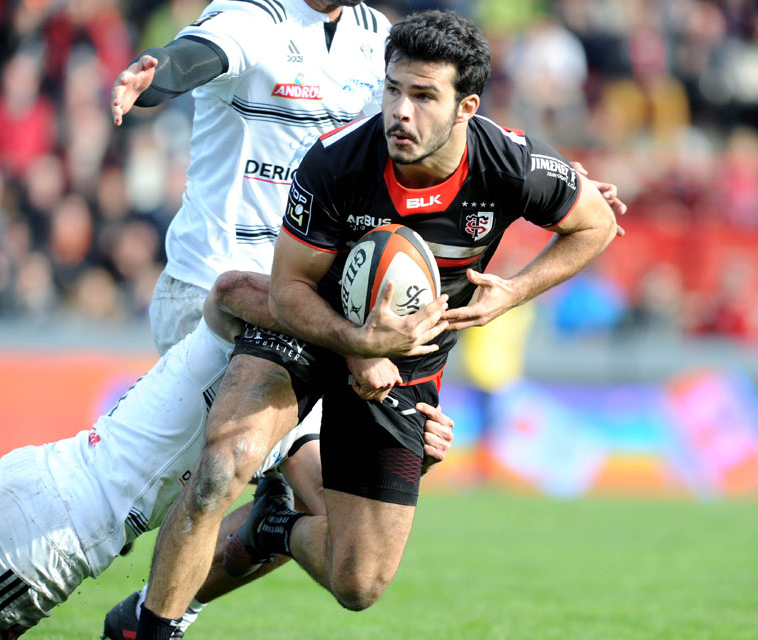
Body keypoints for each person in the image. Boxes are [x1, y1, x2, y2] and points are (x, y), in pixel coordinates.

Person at [131, 10, 620, 638]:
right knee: (223, 467)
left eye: (422, 96)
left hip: (407, 363)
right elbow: (288, 290)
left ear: (466, 106)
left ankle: (272, 527)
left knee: (358, 584)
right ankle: (147, 628)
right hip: (311, 329)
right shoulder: (337, 164)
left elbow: (595, 225)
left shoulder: (510, 164)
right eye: (393, 90)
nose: (400, 111)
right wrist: (358, 343)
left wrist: (512, 295)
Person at [0, 271, 454, 640]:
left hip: (39, 472)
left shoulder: (286, 395)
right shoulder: (271, 358)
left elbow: (340, 520)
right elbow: (231, 286)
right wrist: (354, 343)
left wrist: (408, 458)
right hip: (56, 532)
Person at [110, 0, 391, 354]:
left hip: (302, 297)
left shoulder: (375, 31)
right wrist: (156, 75)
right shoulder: (253, 15)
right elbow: (195, 56)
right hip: (212, 290)